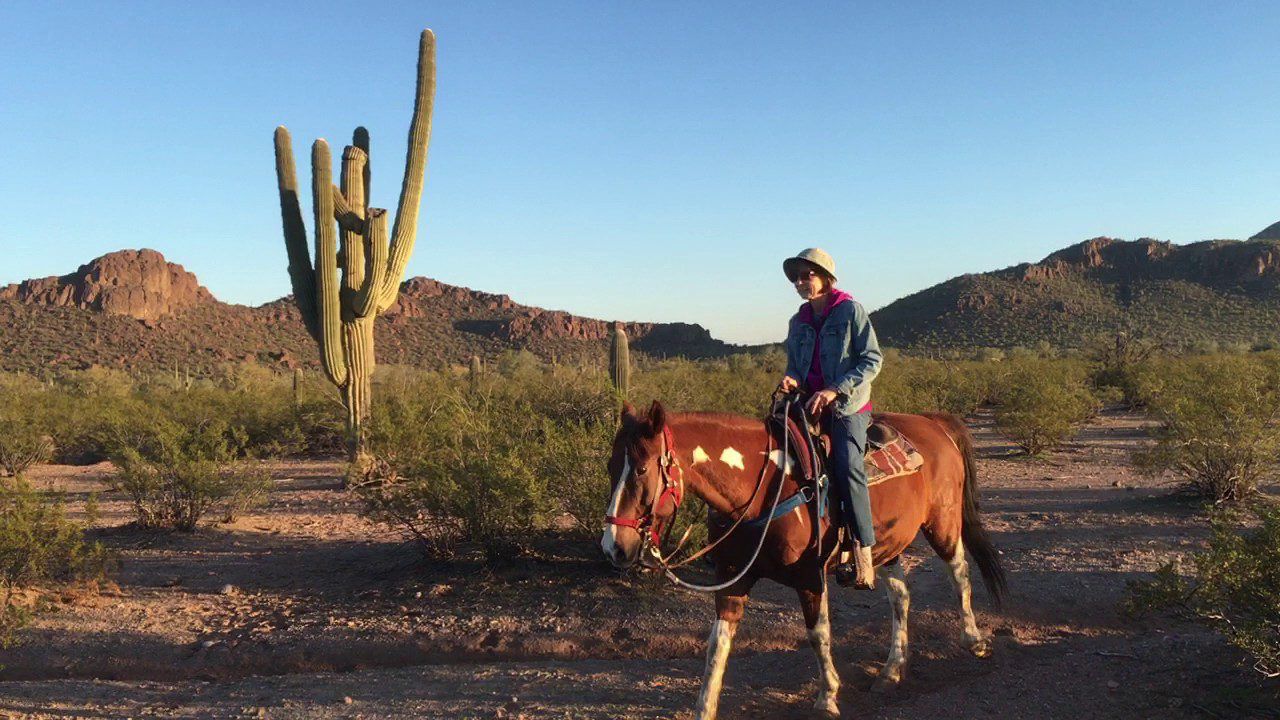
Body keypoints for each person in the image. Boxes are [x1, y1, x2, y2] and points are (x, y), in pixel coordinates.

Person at [779, 248, 883, 588]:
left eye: (806, 275)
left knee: (847, 464)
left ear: (824, 277)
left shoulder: (851, 312)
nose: (799, 281)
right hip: (807, 403)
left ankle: (863, 551)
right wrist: (791, 379)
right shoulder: (798, 322)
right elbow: (796, 364)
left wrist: (835, 389)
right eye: (796, 277)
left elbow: (871, 360)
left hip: (847, 406)